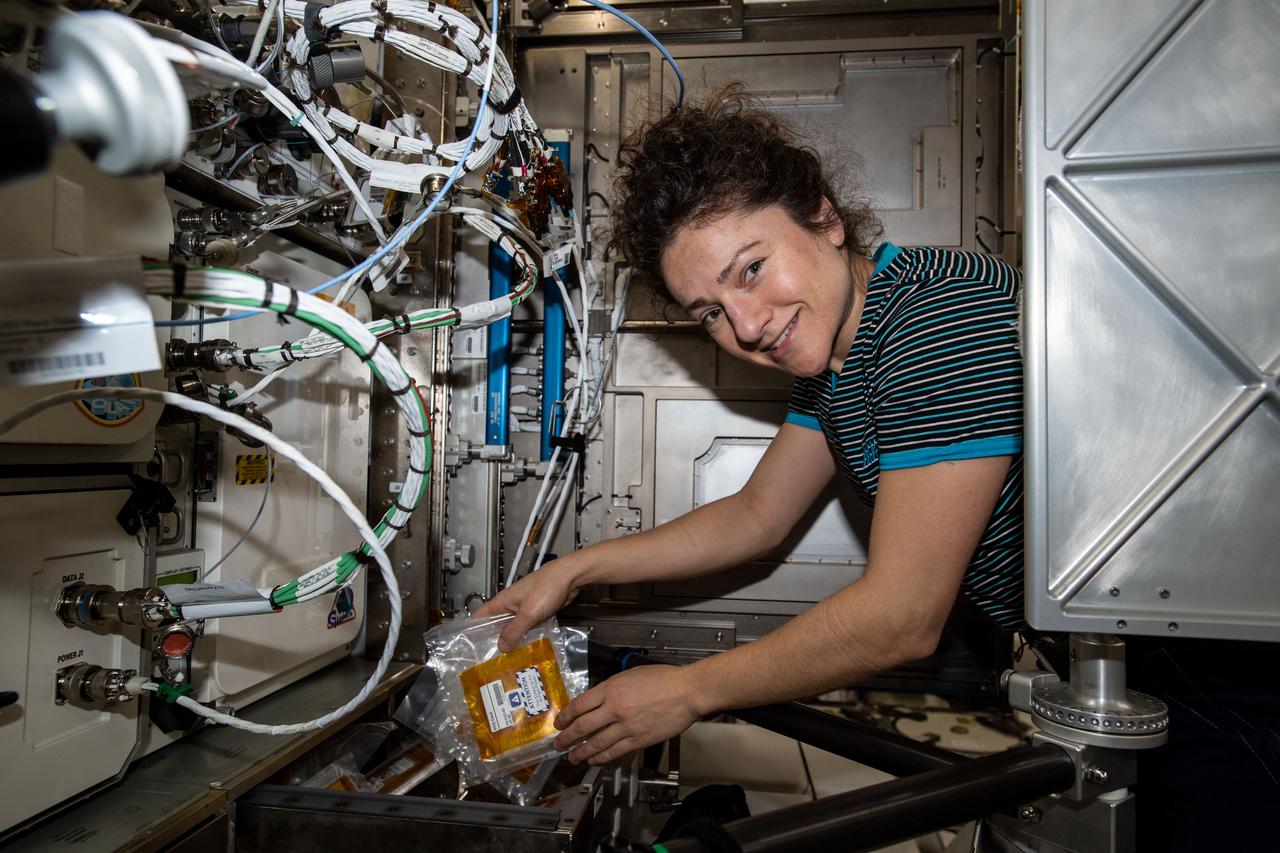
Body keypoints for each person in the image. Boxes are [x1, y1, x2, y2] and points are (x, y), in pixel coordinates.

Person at [476, 84, 1025, 767]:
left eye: (753, 269)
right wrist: (573, 571)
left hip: (1181, 671)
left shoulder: (930, 322)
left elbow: (903, 617)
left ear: (824, 218)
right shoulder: (845, 353)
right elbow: (757, 513)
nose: (747, 325)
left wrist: (690, 690)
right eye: (709, 312)